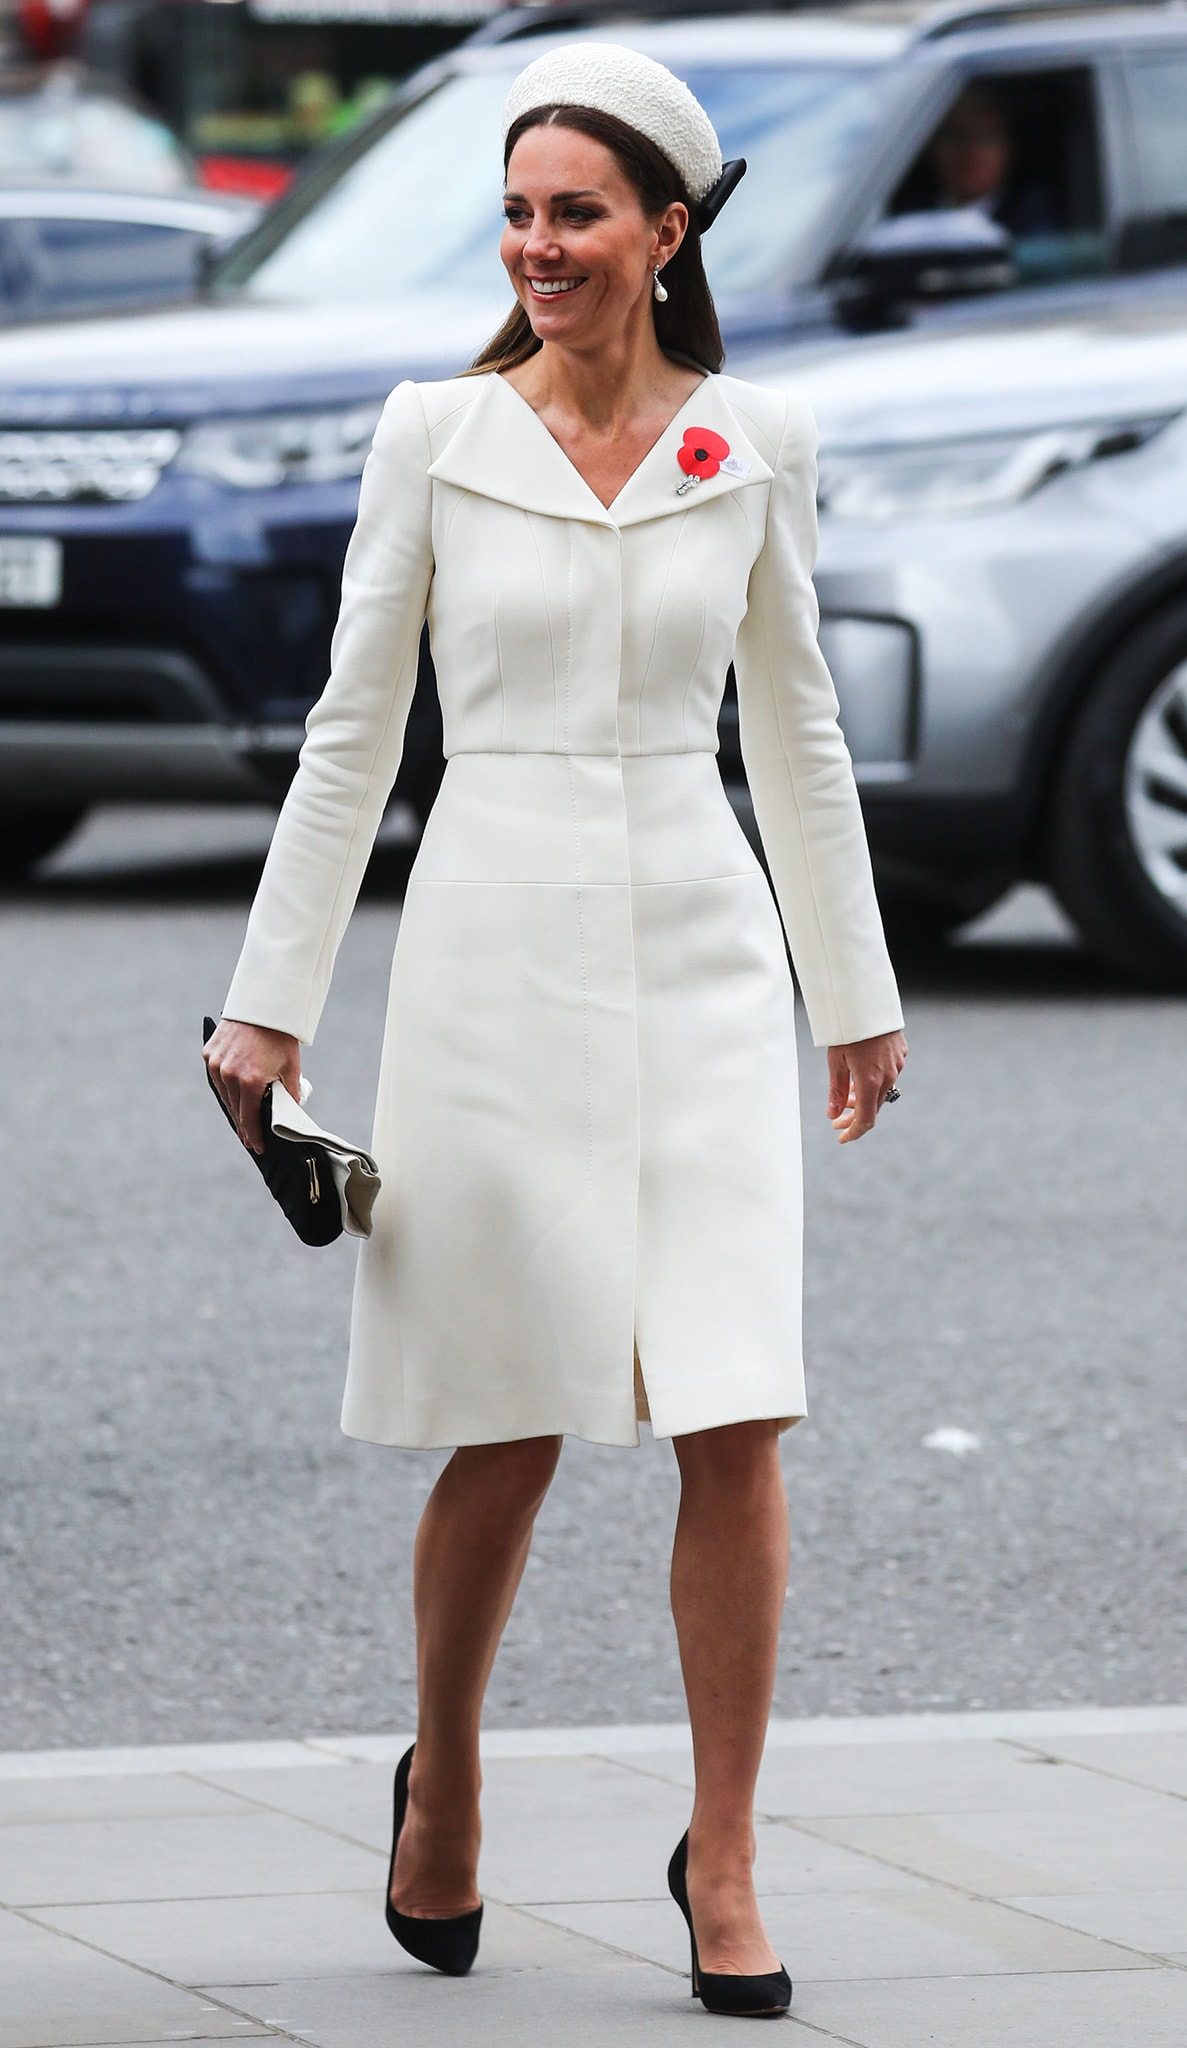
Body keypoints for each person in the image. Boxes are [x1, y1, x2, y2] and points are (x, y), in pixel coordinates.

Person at [204, 41, 906, 2019]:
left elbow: (798, 734)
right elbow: (353, 734)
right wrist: (267, 1004)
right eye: (515, 213)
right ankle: (442, 1784)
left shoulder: (751, 436)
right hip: (486, 956)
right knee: (502, 1413)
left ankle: (728, 1854)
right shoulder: (432, 432)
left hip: (696, 943)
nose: (534, 245)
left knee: (732, 1406)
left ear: (665, 232)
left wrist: (847, 994)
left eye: (573, 212)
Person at [925, 81, 1059, 239]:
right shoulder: (906, 214)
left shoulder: (1034, 217)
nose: (971, 151)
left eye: (986, 138)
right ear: (932, 146)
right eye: (956, 136)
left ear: (1008, 148)